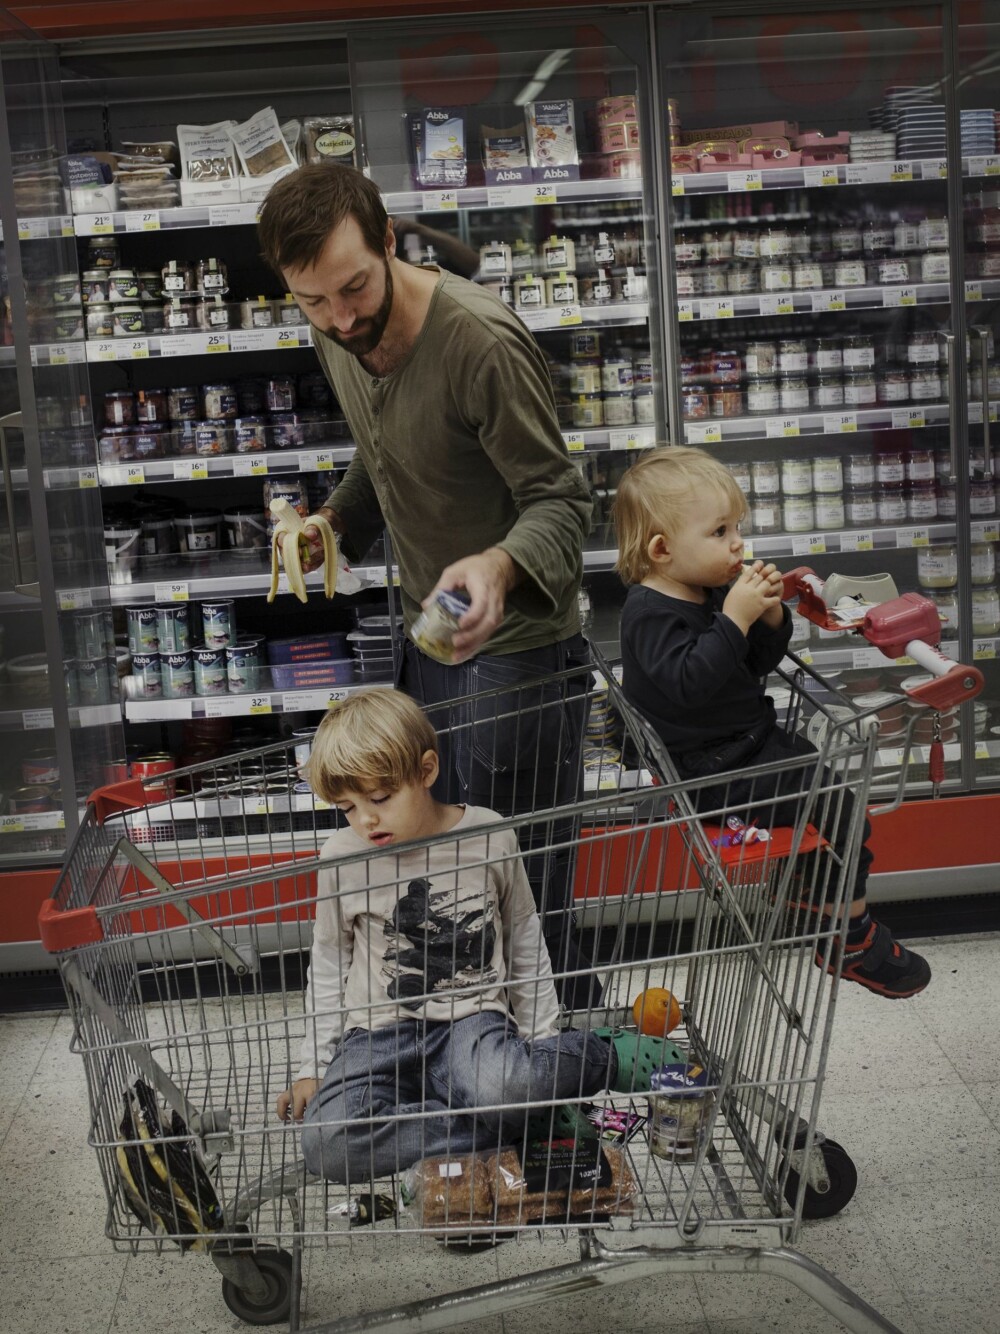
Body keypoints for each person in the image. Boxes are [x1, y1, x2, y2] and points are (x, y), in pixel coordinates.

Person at [258, 164, 597, 1007]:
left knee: (520, 896)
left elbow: (562, 499)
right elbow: (383, 457)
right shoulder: (334, 332)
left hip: (518, 659)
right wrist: (331, 526)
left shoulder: (477, 341)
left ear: (387, 243)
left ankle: (553, 1092)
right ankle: (470, 1079)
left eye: (354, 288)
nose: (341, 317)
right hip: (432, 645)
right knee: (450, 893)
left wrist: (499, 562)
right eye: (313, 301)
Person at [276, 688, 664, 1183]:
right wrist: (314, 1064)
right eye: (347, 807)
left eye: (379, 798)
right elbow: (329, 960)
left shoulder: (489, 835)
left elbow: (524, 938)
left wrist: (542, 1047)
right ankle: (497, 1130)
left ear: (427, 770)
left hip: (472, 1023)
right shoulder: (341, 856)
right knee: (327, 1146)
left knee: (509, 1088)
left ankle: (604, 1054)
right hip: (377, 1033)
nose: (365, 820)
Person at [612, 446, 931, 1000]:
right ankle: (850, 937)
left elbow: (754, 665)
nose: (736, 542)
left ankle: (809, 893)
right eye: (718, 531)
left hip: (742, 749)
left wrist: (769, 617)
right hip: (712, 772)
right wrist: (734, 617)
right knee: (839, 805)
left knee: (820, 782)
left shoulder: (708, 591)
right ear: (662, 550)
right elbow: (690, 683)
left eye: (737, 526)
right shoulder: (650, 613)